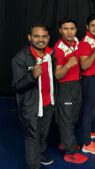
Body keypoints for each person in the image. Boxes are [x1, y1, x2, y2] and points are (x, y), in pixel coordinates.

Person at [12, 23, 55, 169]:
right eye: (36, 36)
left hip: (49, 103)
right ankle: (33, 165)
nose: (40, 40)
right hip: (31, 107)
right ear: (30, 37)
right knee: (32, 138)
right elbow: (18, 85)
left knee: (43, 135)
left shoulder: (51, 54)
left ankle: (40, 154)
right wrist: (32, 76)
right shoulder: (20, 58)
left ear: (48, 38)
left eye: (44, 36)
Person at [53, 18, 88, 163]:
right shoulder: (59, 48)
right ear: (60, 30)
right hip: (65, 87)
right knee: (66, 119)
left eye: (72, 28)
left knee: (73, 117)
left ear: (76, 30)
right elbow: (57, 75)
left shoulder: (76, 43)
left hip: (76, 85)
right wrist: (67, 65)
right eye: (66, 28)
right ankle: (70, 152)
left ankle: (65, 142)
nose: (69, 31)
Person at [79, 14, 95, 154]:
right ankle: (87, 144)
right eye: (92, 25)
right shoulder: (85, 42)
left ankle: (93, 131)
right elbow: (84, 65)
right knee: (89, 111)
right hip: (90, 79)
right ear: (87, 27)